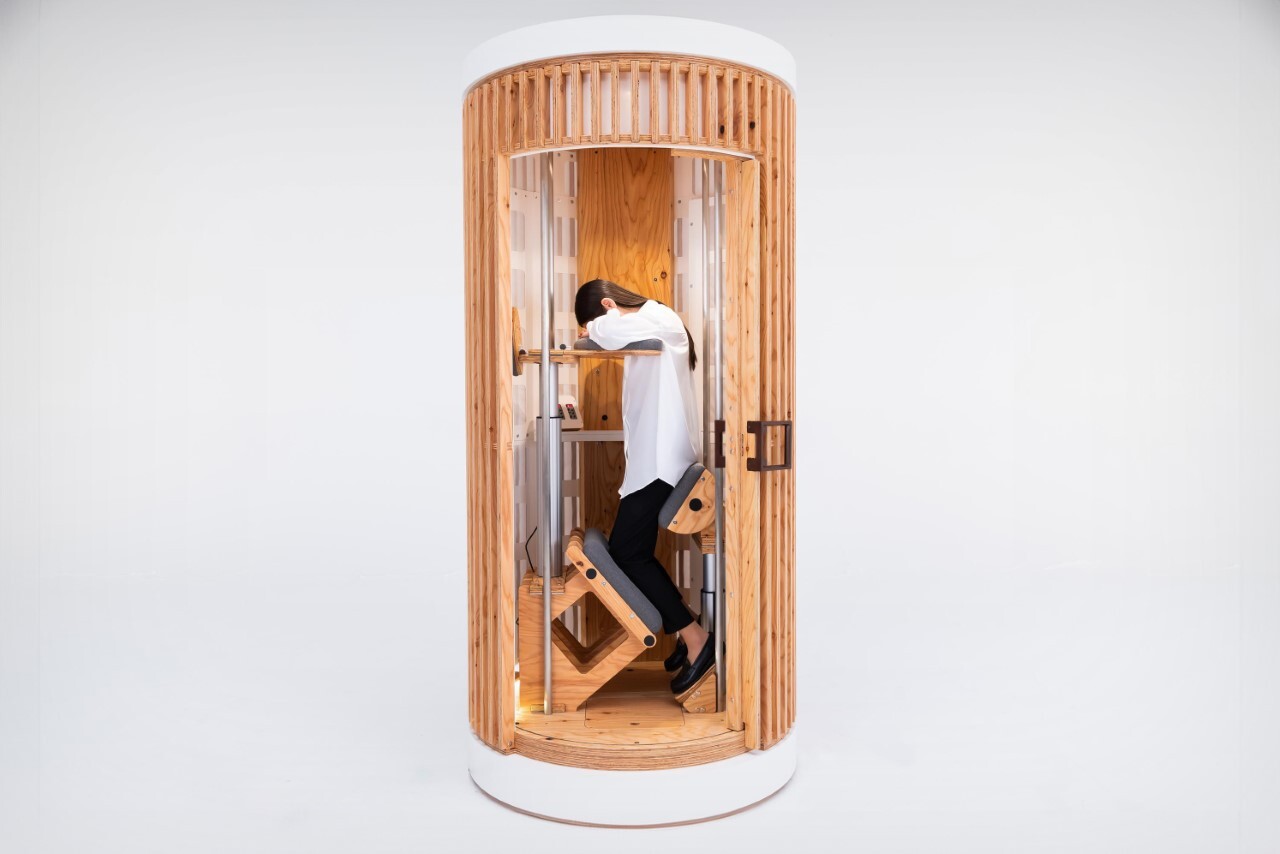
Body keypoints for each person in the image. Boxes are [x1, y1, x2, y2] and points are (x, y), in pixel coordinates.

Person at [574, 278, 715, 696]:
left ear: (607, 305)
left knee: (627, 554)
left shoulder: (658, 318)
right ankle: (688, 630)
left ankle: (696, 639)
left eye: (592, 320)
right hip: (653, 462)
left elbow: (606, 333)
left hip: (661, 464)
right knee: (631, 553)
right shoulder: (652, 321)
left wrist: (592, 327)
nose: (593, 329)